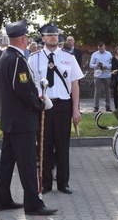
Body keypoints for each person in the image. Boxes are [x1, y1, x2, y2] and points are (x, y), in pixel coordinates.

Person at [0, 20, 57, 216]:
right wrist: (40, 104)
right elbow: (23, 90)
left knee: (7, 162)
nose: (28, 40)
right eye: (27, 37)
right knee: (28, 163)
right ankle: (33, 204)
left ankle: (2, 199)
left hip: (11, 120)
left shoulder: (4, 57)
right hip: (22, 121)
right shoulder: (18, 60)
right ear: (22, 38)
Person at [28, 22, 83, 194]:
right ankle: (45, 183)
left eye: (55, 35)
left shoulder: (68, 57)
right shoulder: (34, 58)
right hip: (43, 105)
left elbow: (75, 84)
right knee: (43, 145)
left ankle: (63, 183)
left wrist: (75, 109)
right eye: (49, 35)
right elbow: (30, 85)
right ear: (42, 38)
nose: (53, 37)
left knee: (62, 145)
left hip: (63, 105)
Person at [90, 41, 113, 112]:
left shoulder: (109, 54)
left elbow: (112, 64)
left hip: (107, 75)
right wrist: (97, 65)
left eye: (102, 49)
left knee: (108, 92)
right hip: (98, 75)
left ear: (104, 47)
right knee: (97, 92)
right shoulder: (94, 54)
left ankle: (108, 106)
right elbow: (90, 65)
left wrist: (107, 67)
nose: (101, 50)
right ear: (98, 47)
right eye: (100, 49)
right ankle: (96, 107)